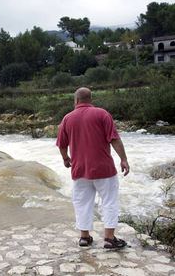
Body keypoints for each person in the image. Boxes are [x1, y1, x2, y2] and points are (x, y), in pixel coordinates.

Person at [56, 87, 130, 249]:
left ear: (75, 100)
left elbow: (61, 144)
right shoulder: (102, 114)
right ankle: (109, 239)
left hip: (80, 169)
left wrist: (66, 158)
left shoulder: (67, 119)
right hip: (104, 169)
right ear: (90, 99)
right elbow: (114, 139)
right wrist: (123, 159)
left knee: (82, 202)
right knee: (109, 201)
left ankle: (84, 237)